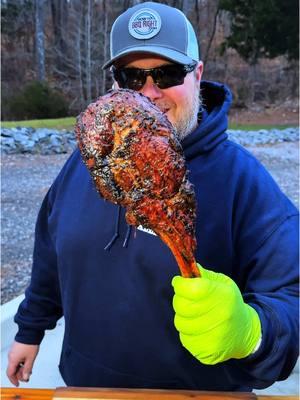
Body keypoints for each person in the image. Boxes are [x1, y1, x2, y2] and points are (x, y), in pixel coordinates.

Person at [7, 1, 299, 392]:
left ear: (197, 74)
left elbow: (291, 296)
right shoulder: (86, 163)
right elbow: (50, 249)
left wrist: (253, 332)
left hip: (197, 392)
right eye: (130, 76)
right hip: (85, 387)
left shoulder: (244, 182)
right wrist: (30, 329)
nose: (148, 92)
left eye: (167, 73)